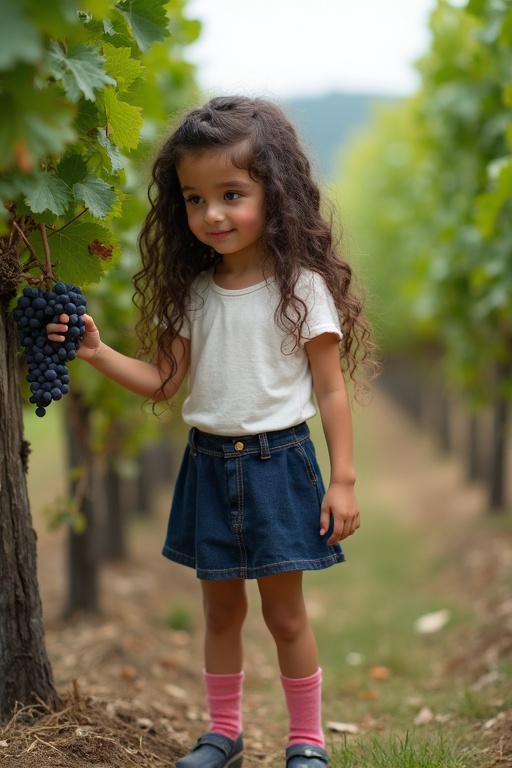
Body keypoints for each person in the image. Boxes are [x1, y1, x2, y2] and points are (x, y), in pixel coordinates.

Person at [48, 95, 377, 768]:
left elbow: (331, 388)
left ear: (276, 194)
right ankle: (223, 734)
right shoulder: (195, 295)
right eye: (195, 200)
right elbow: (166, 383)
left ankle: (307, 741)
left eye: (231, 194)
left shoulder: (302, 286)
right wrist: (97, 352)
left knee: (286, 617)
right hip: (207, 464)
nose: (213, 214)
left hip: (280, 464)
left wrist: (342, 480)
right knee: (221, 615)